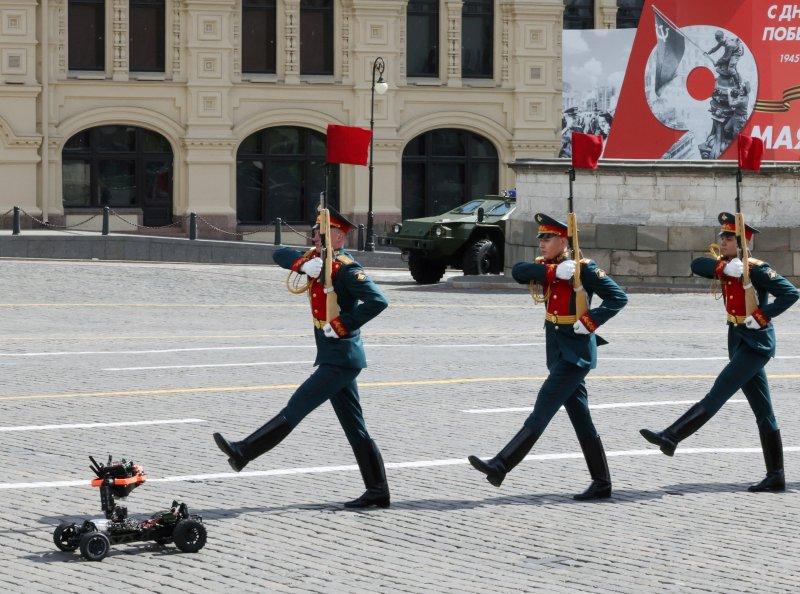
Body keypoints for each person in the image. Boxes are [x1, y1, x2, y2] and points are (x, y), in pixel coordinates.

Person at [212, 207, 391, 508]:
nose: (313, 238)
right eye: (314, 234)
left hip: (342, 357)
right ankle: (378, 491)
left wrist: (344, 324)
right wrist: (302, 265)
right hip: (332, 356)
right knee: (355, 427)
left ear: (337, 237)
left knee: (297, 406)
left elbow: (379, 300)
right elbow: (279, 254)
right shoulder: (317, 261)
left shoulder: (346, 269)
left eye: (320, 234)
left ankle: (245, 451)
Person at [467, 213, 628, 500]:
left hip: (576, 354)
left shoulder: (584, 269)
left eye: (548, 237)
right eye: (540, 237)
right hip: (556, 349)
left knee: (543, 408)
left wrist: (591, 320)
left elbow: (619, 297)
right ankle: (602, 482)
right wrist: (555, 273)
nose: (541, 243)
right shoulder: (549, 268)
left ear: (563, 240)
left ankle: (502, 464)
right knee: (581, 419)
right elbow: (518, 271)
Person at [640, 213, 799, 492]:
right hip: (738, 340)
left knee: (717, 394)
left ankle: (672, 436)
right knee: (764, 413)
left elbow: (790, 293)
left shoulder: (757, 270)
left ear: (743, 243)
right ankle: (776, 475)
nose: (723, 242)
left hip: (755, 344)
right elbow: (697, 264)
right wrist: (727, 269)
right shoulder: (727, 267)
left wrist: (762, 315)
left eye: (729, 238)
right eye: (722, 237)